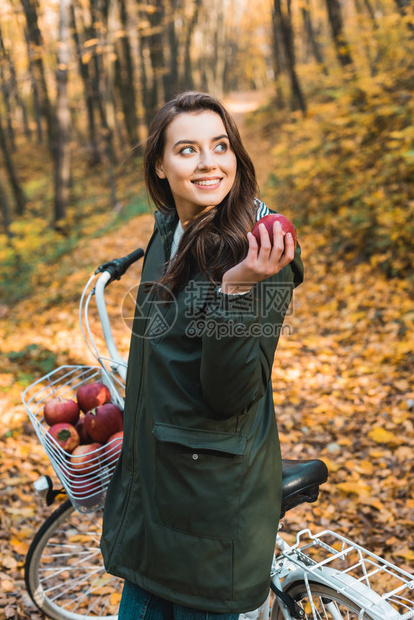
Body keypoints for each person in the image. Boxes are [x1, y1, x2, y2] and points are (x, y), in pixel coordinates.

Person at [100, 91, 304, 620]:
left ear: (237, 154)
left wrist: (235, 292)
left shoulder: (257, 251)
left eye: (220, 146)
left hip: (207, 511)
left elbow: (231, 395)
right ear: (161, 167)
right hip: (156, 496)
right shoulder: (170, 227)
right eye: (188, 150)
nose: (210, 163)